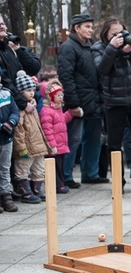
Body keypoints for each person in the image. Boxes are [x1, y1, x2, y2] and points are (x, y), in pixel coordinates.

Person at [91, 17, 131, 194]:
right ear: (106, 34)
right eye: (114, 33)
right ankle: (118, 181)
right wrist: (112, 48)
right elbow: (101, 69)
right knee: (114, 144)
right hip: (114, 102)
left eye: (121, 32)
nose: (119, 36)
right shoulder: (99, 48)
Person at [58, 14, 106, 187]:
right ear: (76, 28)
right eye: (87, 27)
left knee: (94, 138)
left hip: (94, 100)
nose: (91, 30)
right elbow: (66, 76)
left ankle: (90, 173)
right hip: (78, 101)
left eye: (91, 27)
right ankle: (67, 176)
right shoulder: (68, 47)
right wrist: (73, 103)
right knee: (73, 139)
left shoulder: (91, 46)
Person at [13, 71, 51, 203]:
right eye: (27, 90)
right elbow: (18, 130)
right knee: (23, 169)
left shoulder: (33, 107)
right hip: (27, 147)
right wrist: (21, 147)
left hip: (38, 145)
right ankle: (26, 192)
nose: (31, 93)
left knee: (39, 169)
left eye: (33, 90)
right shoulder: (20, 109)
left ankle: (37, 189)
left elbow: (38, 127)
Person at [40, 80, 81, 193]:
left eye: (62, 95)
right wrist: (52, 145)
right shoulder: (46, 111)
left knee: (60, 166)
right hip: (54, 146)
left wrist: (70, 113)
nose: (61, 97)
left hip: (60, 144)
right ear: (51, 96)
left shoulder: (57, 108)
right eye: (58, 95)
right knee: (54, 167)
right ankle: (56, 185)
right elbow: (47, 130)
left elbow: (62, 120)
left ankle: (60, 183)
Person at [0, 15, 41, 99]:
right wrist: (23, 103)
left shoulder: (12, 49)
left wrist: (19, 51)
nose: (1, 27)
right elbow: (5, 81)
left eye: (2, 24)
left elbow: (35, 67)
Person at [0, 68, 19, 212]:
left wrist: (11, 122)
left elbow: (15, 110)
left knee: (5, 168)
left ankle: (6, 195)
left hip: (6, 138)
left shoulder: (6, 93)